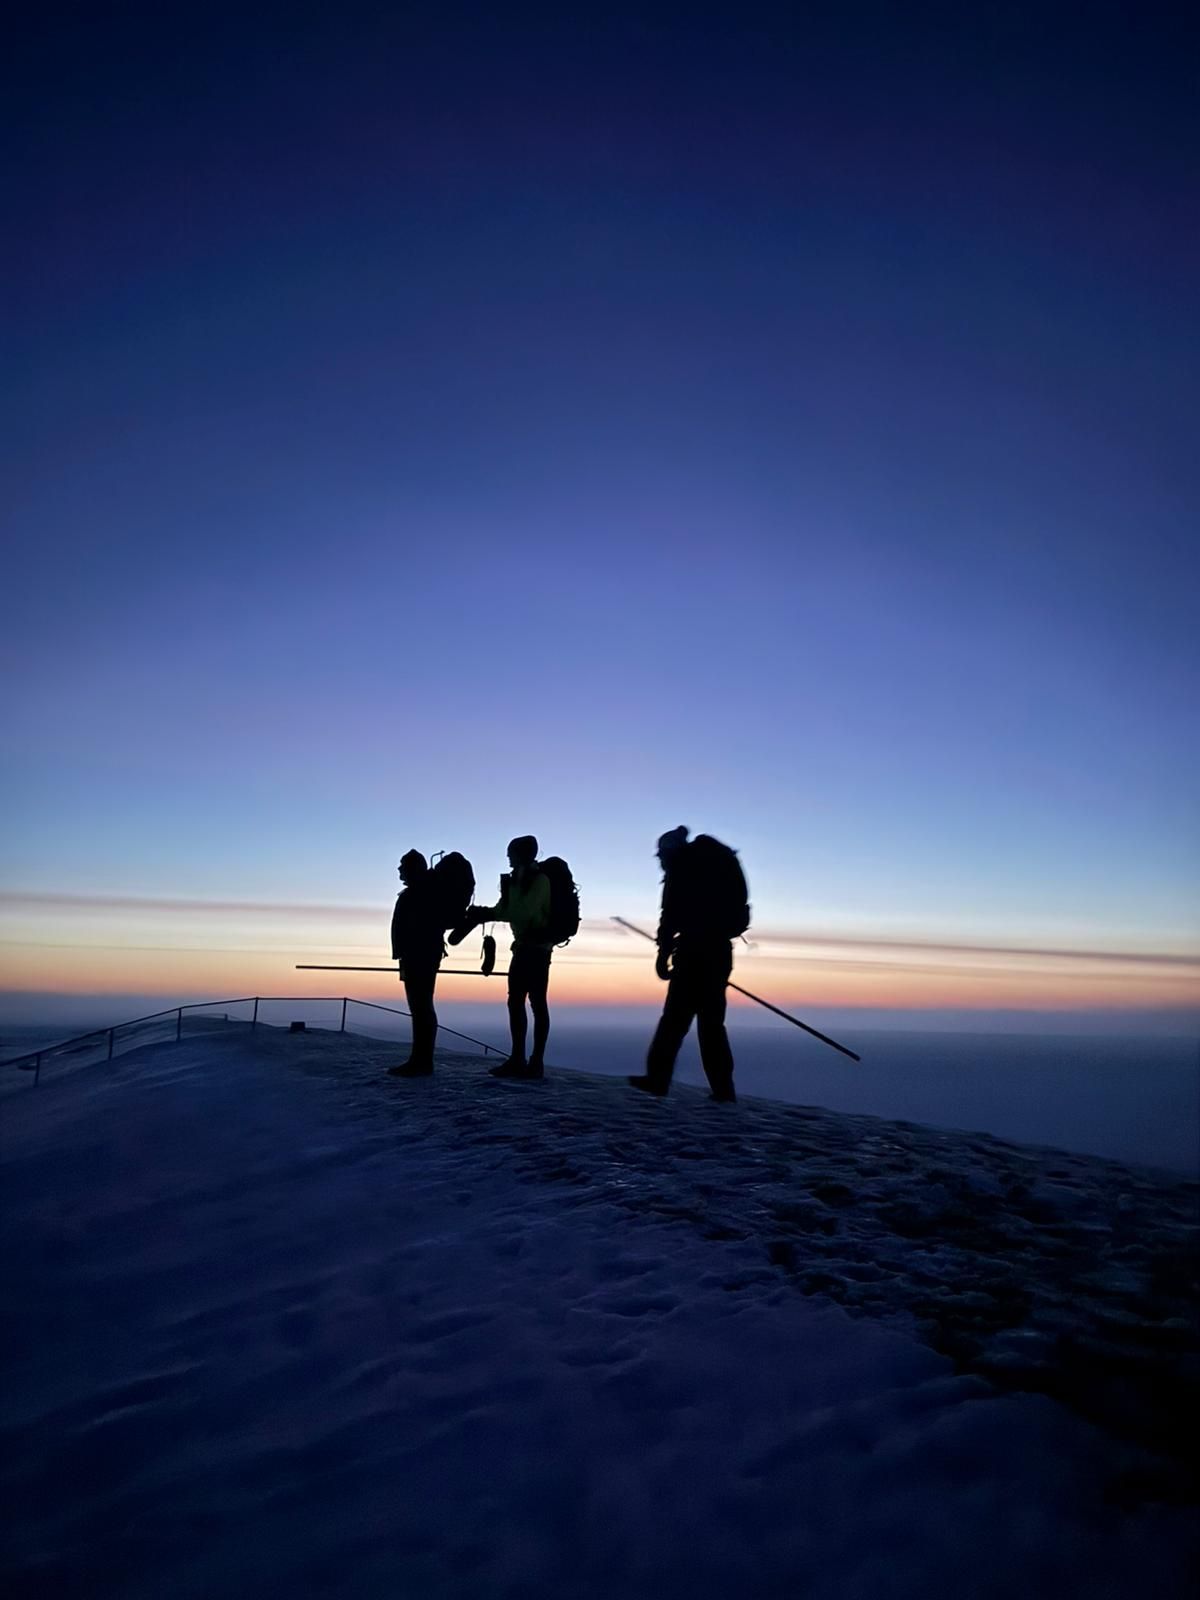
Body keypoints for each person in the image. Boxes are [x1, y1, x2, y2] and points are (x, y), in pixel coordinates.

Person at [629, 825, 749, 1102]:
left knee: (674, 1020)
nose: (660, 862)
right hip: (719, 952)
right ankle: (723, 1089)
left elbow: (669, 915)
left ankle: (657, 1079)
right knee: (712, 1024)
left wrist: (663, 955)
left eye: (661, 856)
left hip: (692, 952)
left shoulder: (681, 868)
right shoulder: (717, 863)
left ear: (670, 852)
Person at [451, 834, 551, 1079]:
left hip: (538, 949)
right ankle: (519, 1060)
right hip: (523, 947)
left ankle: (534, 1062)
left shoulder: (540, 880)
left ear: (522, 854)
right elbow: (505, 910)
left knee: (535, 1003)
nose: (508, 857)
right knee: (517, 1002)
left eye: (511, 852)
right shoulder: (516, 880)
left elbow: (523, 912)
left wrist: (488, 915)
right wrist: (486, 913)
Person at [387, 849, 445, 1077]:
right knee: (420, 1007)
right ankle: (420, 1059)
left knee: (420, 1007)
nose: (399, 869)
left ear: (413, 868)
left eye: (403, 865)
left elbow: (417, 927)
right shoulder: (425, 890)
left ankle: (421, 1062)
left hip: (419, 956)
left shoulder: (419, 892)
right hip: (420, 955)